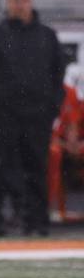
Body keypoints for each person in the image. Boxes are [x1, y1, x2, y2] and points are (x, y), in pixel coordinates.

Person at [0, 0, 65, 236]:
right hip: (4, 115)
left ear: (31, 2)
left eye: (24, 0)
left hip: (38, 116)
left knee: (37, 168)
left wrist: (52, 107)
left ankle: (36, 221)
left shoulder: (47, 36)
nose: (19, 5)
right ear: (7, 3)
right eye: (15, 0)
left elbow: (57, 74)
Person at [48, 63, 84, 222]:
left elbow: (72, 123)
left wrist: (76, 143)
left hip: (67, 141)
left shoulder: (69, 92)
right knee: (53, 153)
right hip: (45, 140)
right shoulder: (37, 91)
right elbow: (41, 129)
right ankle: (53, 208)